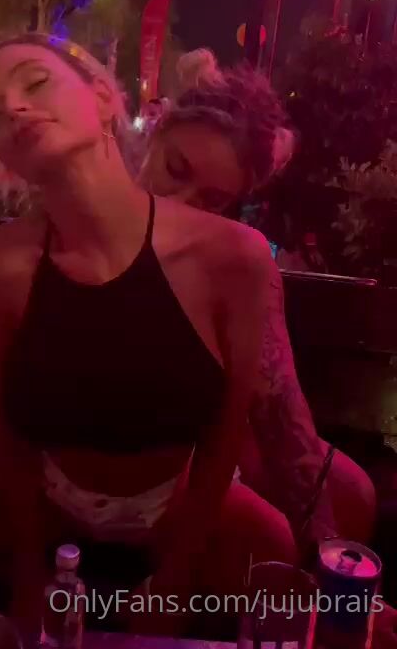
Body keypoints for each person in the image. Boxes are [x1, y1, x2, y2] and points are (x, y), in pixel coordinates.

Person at [0, 34, 294, 637]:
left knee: (279, 559)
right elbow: (7, 432)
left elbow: (230, 431)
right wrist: (27, 573)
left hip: (173, 494)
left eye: (35, 82)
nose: (12, 106)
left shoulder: (234, 257)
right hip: (54, 488)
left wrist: (177, 577)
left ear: (100, 98)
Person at [140, 49, 376, 547]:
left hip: (194, 442)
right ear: (158, 131)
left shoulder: (235, 259)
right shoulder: (92, 207)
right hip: (114, 460)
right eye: (175, 168)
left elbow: (281, 413)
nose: (177, 205)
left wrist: (328, 557)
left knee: (355, 496)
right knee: (273, 537)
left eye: (211, 200)